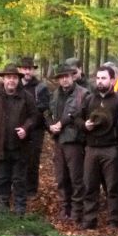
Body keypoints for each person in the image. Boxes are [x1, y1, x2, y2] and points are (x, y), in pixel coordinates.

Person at [0, 64, 38, 214]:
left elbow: (35, 117)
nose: (11, 80)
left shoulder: (26, 97)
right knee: (1, 181)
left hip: (20, 148)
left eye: (14, 78)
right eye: (8, 77)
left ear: (18, 80)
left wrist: (26, 128)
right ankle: (2, 213)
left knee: (19, 181)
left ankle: (19, 211)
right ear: (3, 79)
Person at [81, 66, 118, 229]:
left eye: (104, 78)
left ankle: (114, 220)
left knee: (113, 187)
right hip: (91, 148)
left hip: (111, 149)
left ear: (112, 80)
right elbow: (77, 119)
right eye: (98, 78)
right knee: (89, 186)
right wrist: (84, 125)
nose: (100, 81)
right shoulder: (89, 99)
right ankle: (89, 220)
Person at [46, 64, 89, 224]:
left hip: (74, 141)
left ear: (72, 76)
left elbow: (79, 113)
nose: (64, 79)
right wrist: (50, 125)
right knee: (61, 177)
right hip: (58, 140)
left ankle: (77, 211)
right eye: (61, 77)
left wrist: (62, 123)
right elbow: (47, 112)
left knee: (76, 177)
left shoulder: (83, 94)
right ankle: (65, 209)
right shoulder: (55, 94)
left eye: (67, 76)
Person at [17, 57, 50, 197]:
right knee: (18, 158)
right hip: (18, 127)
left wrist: (30, 112)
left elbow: (44, 106)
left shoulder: (41, 87)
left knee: (32, 159)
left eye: (29, 69)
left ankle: (31, 189)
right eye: (24, 69)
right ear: (20, 70)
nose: (27, 72)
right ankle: (18, 187)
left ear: (33, 70)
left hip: (36, 129)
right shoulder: (15, 85)